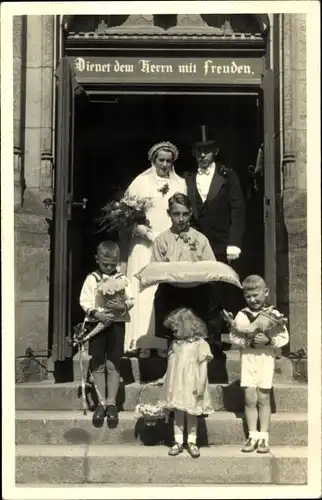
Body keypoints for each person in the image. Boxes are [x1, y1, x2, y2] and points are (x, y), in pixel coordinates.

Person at [124, 141, 187, 358]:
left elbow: (184, 213)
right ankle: (139, 341)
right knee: (143, 290)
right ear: (153, 160)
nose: (165, 164)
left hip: (169, 245)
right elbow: (128, 216)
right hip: (144, 245)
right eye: (161, 160)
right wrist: (144, 232)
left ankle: (161, 341)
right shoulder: (140, 183)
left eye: (169, 161)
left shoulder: (180, 184)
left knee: (162, 291)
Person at [184, 137, 246, 350]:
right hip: (194, 243)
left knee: (217, 291)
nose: (202, 155)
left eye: (207, 151)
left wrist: (234, 242)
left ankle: (216, 341)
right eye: (198, 150)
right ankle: (197, 337)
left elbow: (237, 210)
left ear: (215, 151)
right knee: (197, 289)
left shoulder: (227, 176)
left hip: (221, 243)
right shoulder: (188, 177)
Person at [228, 275, 289, 453]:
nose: (253, 299)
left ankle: (264, 437)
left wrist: (269, 341)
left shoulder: (274, 314)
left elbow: (284, 337)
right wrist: (246, 343)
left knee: (263, 397)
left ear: (266, 292)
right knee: (249, 398)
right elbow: (233, 335)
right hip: (249, 359)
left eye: (256, 295)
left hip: (265, 359)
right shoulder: (241, 314)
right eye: (248, 296)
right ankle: (252, 435)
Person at [79, 241, 134, 427]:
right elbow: (85, 300)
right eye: (105, 264)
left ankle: (111, 402)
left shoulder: (123, 279)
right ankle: (100, 402)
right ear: (97, 260)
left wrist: (123, 306)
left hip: (116, 325)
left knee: (113, 362)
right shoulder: (92, 279)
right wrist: (97, 313)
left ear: (118, 262)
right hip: (97, 325)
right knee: (98, 363)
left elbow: (131, 298)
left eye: (113, 264)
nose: (109, 268)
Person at [151, 192, 216, 345]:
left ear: (191, 213)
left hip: (196, 291)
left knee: (196, 337)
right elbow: (155, 269)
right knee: (174, 339)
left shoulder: (200, 239)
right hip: (171, 291)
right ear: (169, 214)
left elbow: (211, 267)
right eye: (176, 214)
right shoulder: (162, 240)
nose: (181, 219)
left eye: (185, 214)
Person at [155, 308, 213, 458]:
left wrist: (201, 383)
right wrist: (165, 377)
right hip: (177, 384)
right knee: (178, 413)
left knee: (192, 413)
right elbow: (171, 364)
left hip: (192, 383)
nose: (173, 333)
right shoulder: (175, 344)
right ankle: (178, 441)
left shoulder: (200, 344)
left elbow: (203, 365)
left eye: (175, 330)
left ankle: (192, 440)